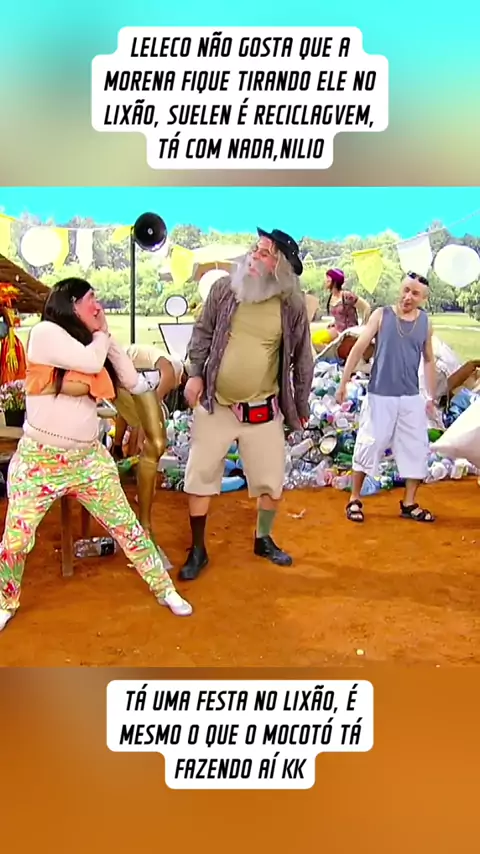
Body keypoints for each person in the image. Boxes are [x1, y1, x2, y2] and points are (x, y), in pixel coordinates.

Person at [0, 278, 192, 632]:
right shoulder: (45, 332)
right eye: (92, 299)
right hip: (39, 460)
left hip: (88, 460)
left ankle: (165, 589)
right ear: (71, 303)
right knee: (16, 540)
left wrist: (106, 340)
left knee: (128, 528)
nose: (99, 306)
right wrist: (101, 341)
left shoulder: (94, 342)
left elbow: (132, 381)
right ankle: (5, 601)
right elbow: (90, 362)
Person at [180, 227, 314, 580]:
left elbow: (302, 358)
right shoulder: (225, 289)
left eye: (266, 253)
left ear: (280, 268)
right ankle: (198, 549)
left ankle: (263, 538)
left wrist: (301, 406)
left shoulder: (291, 305)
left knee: (271, 482)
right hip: (216, 405)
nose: (255, 255)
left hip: (263, 411)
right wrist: (195, 374)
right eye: (256, 248)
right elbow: (202, 333)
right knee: (199, 478)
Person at [336, 272, 437, 524]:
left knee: (415, 446)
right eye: (406, 290)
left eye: (415, 293)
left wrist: (431, 395)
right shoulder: (382, 315)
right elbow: (359, 347)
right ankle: (354, 498)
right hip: (380, 394)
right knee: (370, 442)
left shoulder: (425, 323)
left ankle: (409, 502)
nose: (408, 296)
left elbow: (428, 359)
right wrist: (344, 381)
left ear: (423, 298)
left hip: (410, 396)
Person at [325, 268, 371, 336]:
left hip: (350, 334)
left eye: (328, 278)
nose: (325, 280)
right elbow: (340, 316)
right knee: (318, 337)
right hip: (338, 333)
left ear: (334, 281)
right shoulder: (331, 297)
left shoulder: (347, 296)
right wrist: (334, 323)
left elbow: (367, 307)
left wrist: (363, 327)